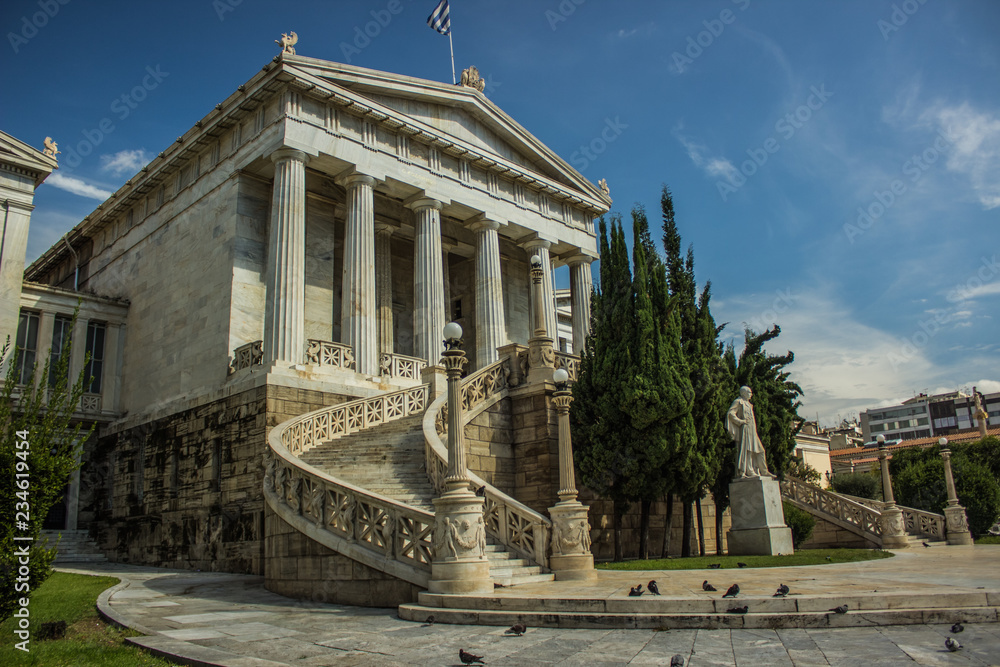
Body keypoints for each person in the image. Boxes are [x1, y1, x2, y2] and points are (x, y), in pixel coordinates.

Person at [726, 386, 773, 479]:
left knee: (760, 450)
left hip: (752, 429)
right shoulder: (738, 402)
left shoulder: (749, 404)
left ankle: (764, 471)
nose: (751, 394)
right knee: (748, 450)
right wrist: (740, 421)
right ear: (743, 393)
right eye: (749, 392)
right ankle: (749, 470)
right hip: (745, 429)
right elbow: (730, 413)